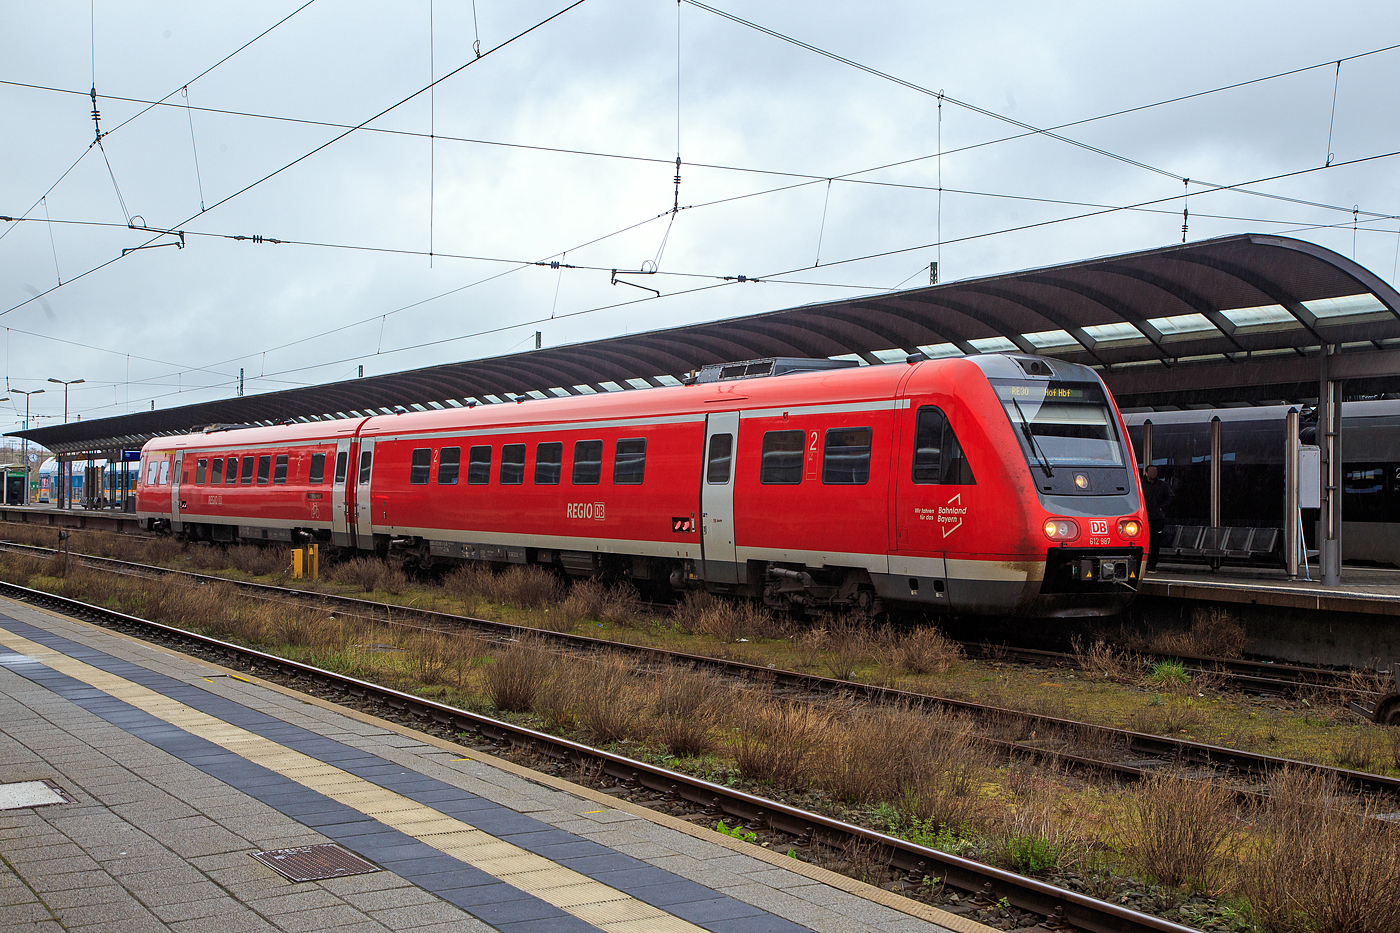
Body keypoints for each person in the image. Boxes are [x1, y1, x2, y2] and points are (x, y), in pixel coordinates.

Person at [1142, 465, 1174, 571]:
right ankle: (1143, 564)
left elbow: (1171, 497)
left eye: (1154, 471)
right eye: (1151, 471)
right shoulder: (1141, 485)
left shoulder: (1162, 485)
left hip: (1156, 518)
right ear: (1146, 473)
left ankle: (1152, 565)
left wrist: (1161, 508)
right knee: (1144, 542)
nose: (1153, 474)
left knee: (1155, 542)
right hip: (1144, 518)